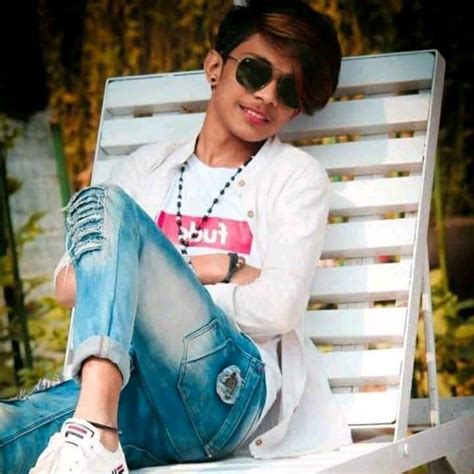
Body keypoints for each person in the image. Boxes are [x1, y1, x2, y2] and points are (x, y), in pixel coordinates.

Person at [0, 0, 353, 471]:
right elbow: (67, 284)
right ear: (214, 68)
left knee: (109, 203)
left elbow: (278, 307)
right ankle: (97, 433)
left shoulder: (294, 177)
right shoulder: (147, 167)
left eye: (288, 90)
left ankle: (97, 430)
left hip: (224, 391)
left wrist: (148, 288)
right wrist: (217, 268)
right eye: (254, 71)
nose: (268, 95)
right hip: (134, 393)